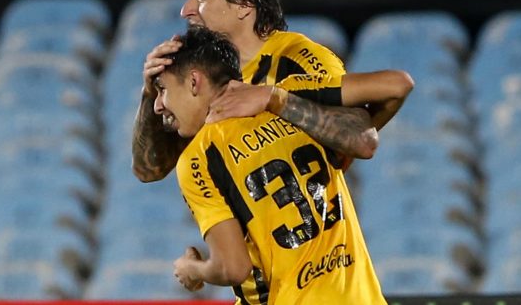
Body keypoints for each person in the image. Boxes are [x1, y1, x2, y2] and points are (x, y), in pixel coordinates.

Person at [154, 26, 411, 304]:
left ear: (194, 82)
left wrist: (192, 268)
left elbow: (233, 267)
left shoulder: (200, 156)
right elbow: (397, 85)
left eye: (162, 90)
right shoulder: (292, 102)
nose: (157, 105)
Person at [132, 0, 400, 183]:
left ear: (244, 5)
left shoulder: (299, 59)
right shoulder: (200, 73)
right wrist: (150, 92)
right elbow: (148, 170)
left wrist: (275, 99)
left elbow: (360, 138)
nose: (185, 10)